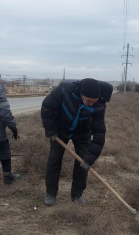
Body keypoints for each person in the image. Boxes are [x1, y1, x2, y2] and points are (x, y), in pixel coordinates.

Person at [41, 78, 113, 206]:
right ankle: (51, 193)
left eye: (93, 102)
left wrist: (89, 159)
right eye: (88, 101)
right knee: (54, 160)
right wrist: (51, 130)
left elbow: (99, 132)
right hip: (60, 130)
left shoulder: (99, 104)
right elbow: (47, 107)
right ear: (81, 93)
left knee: (83, 163)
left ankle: (77, 195)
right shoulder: (65, 90)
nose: (91, 104)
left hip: (83, 132)